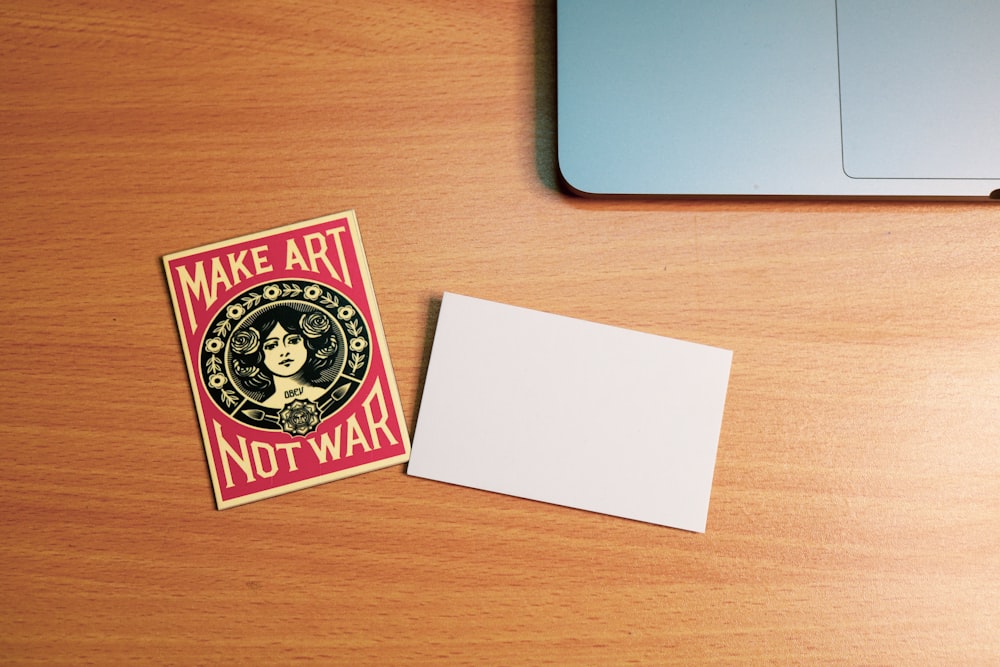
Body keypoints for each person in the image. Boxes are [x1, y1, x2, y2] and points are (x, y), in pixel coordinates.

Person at [229, 305, 339, 408]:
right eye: (271, 346)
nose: (284, 352)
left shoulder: (332, 394)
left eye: (293, 340)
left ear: (308, 343)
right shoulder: (266, 407)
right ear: (258, 355)